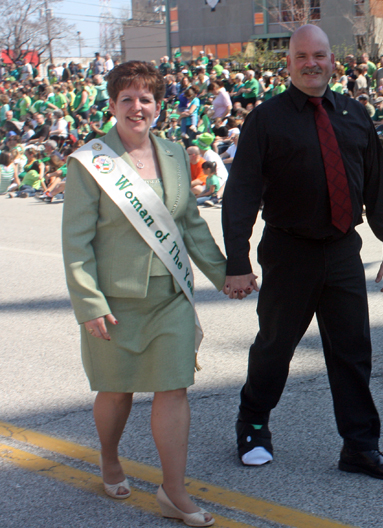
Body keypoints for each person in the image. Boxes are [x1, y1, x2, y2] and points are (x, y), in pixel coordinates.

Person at [222, 25, 383, 480]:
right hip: (289, 252)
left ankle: (360, 447)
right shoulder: (265, 119)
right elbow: (242, 193)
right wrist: (238, 262)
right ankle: (254, 427)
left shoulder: (353, 113)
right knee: (275, 346)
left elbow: (378, 185)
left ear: (331, 60)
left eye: (319, 55)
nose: (311, 63)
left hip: (343, 249)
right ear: (288, 64)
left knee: (352, 351)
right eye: (302, 56)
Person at [62, 61, 226, 527]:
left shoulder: (174, 153)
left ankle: (173, 491)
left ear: (158, 106)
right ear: (113, 105)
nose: (138, 107)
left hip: (170, 297)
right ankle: (110, 458)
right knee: (116, 393)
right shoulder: (91, 161)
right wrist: (88, 302)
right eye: (128, 98)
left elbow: (189, 224)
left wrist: (226, 274)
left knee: (173, 388)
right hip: (114, 304)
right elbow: (76, 240)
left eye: (146, 98)